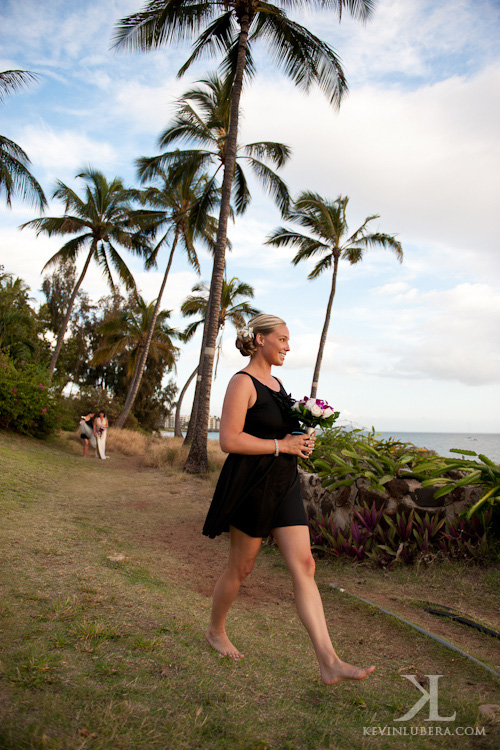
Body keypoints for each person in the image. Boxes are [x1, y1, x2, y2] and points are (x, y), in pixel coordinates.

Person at [203, 313, 375, 685]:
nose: (287, 346)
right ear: (261, 339)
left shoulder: (278, 384)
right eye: (282, 339)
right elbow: (229, 441)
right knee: (241, 568)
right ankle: (215, 630)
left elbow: (283, 435)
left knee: (306, 566)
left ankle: (329, 662)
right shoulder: (241, 382)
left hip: (284, 484)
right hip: (252, 486)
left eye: (287, 340)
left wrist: (301, 442)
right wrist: (283, 444)